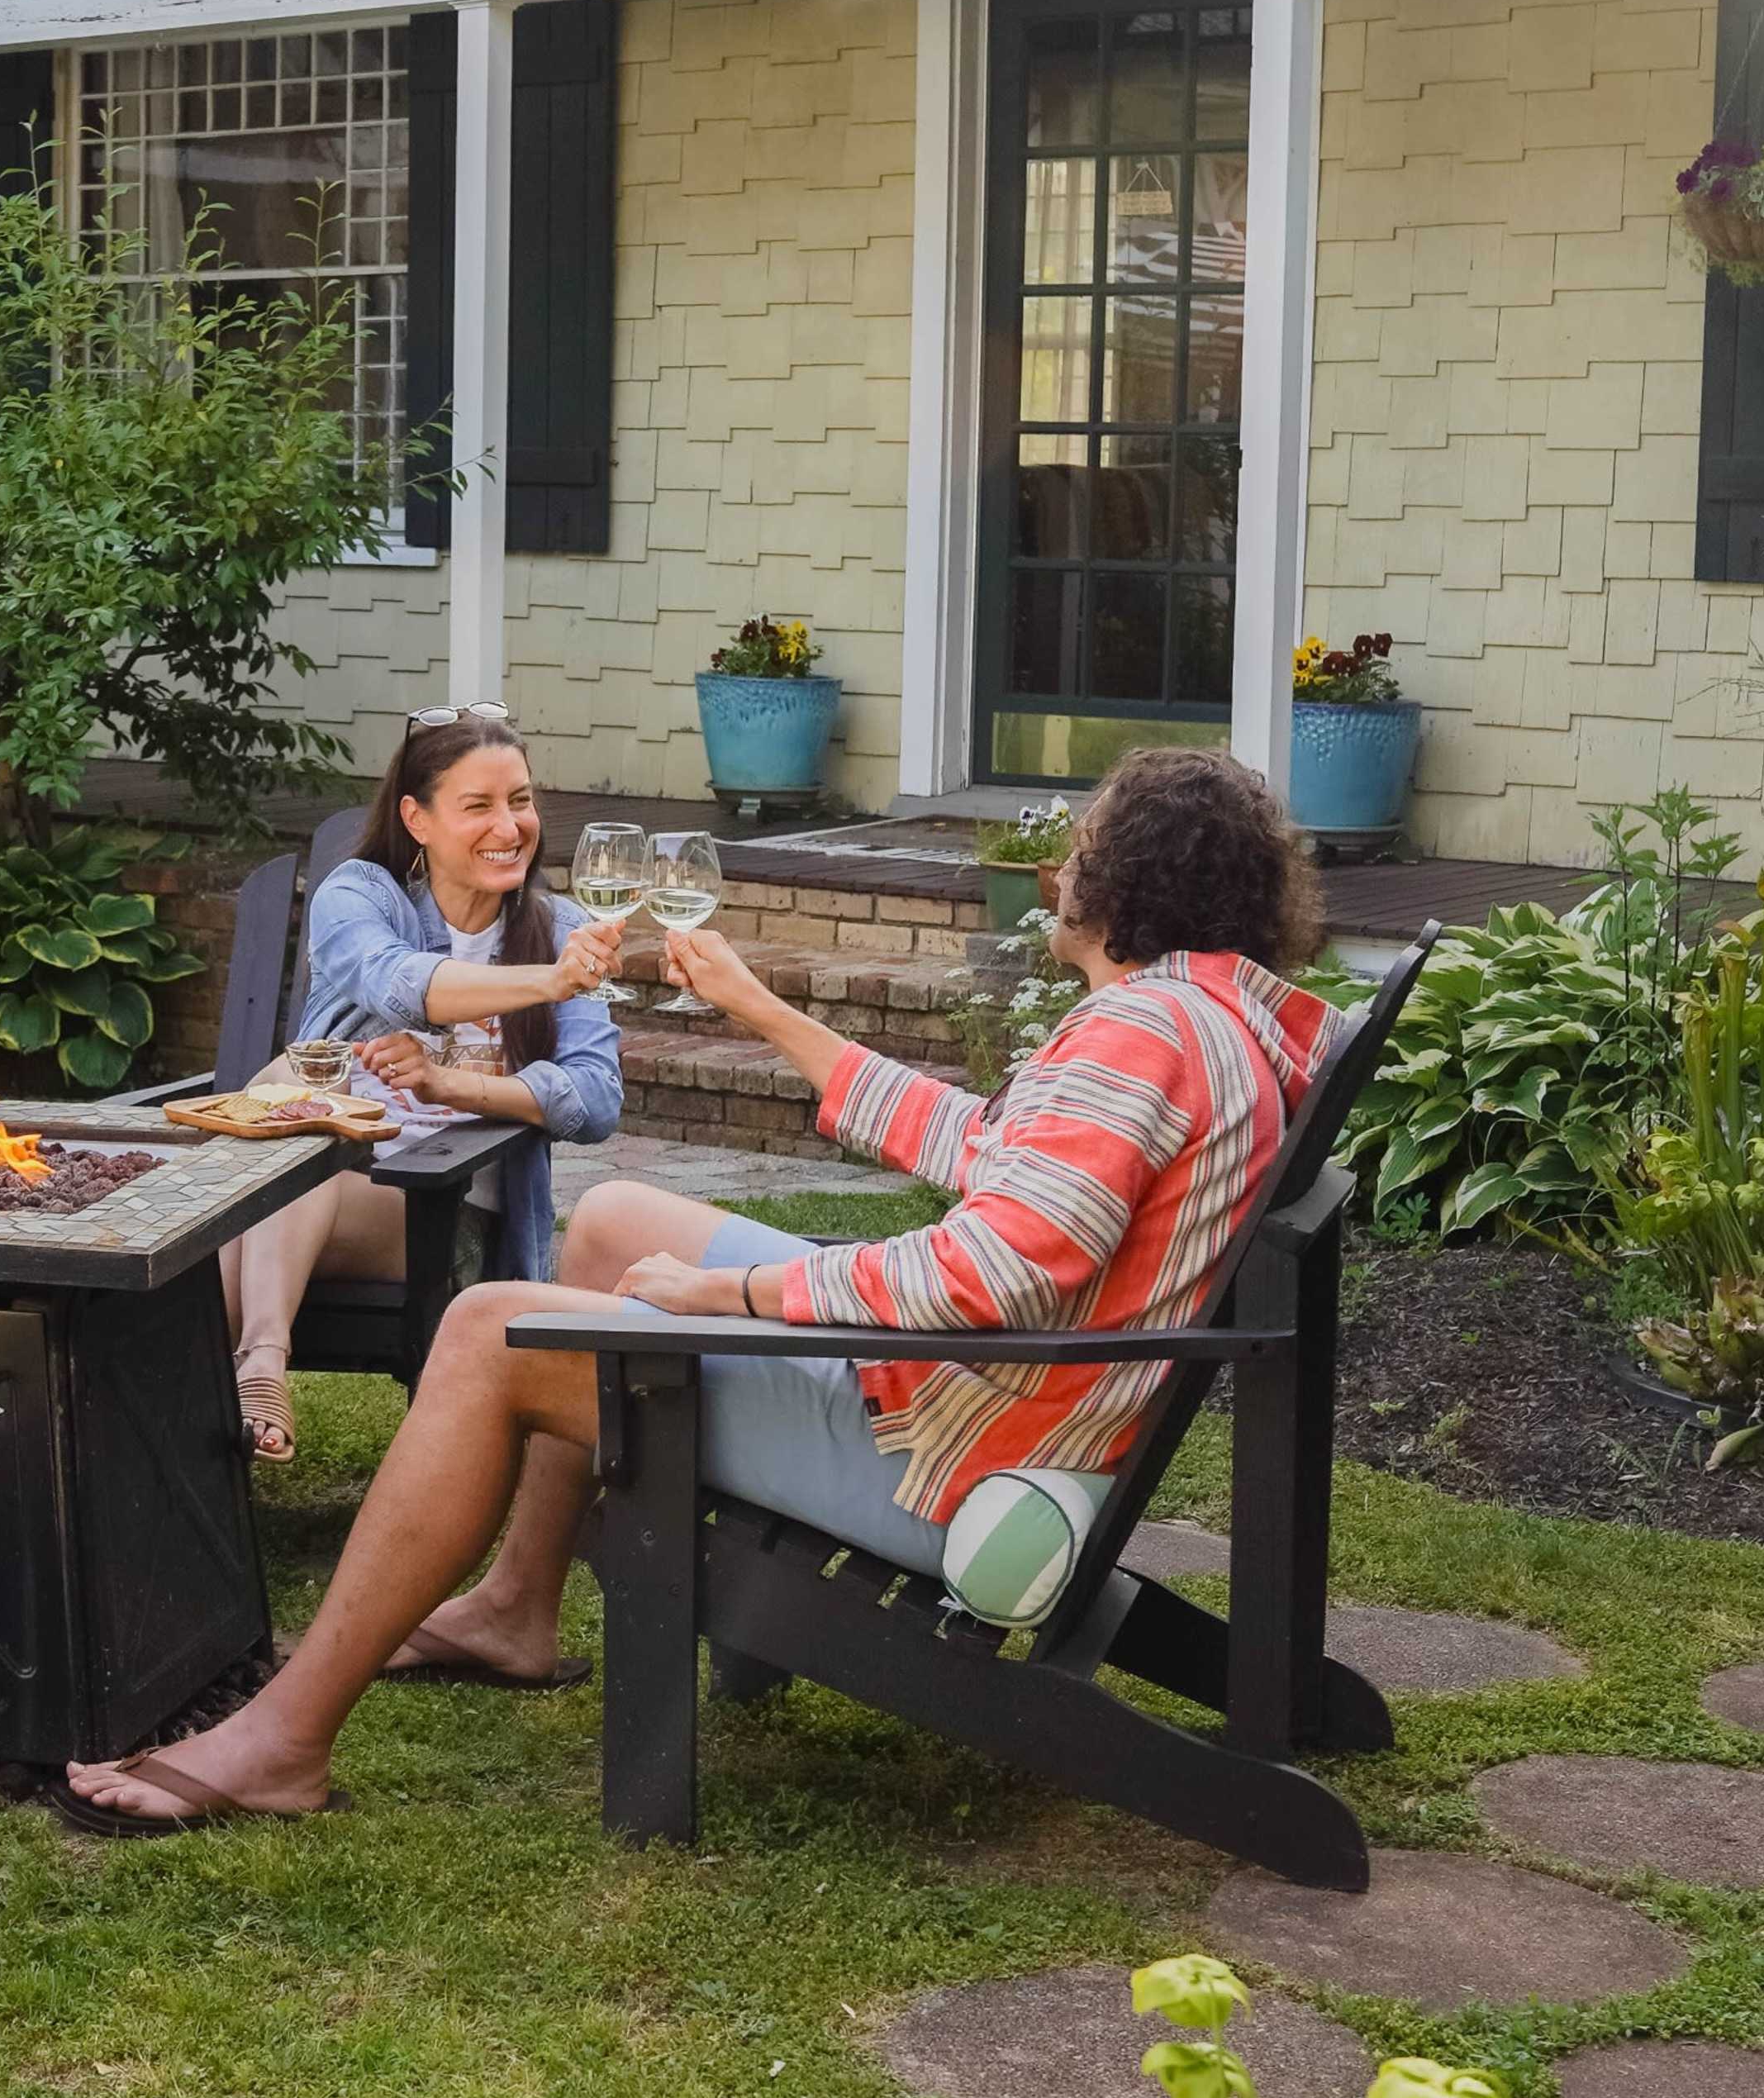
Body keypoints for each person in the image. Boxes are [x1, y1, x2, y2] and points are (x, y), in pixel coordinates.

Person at [67, 745, 1338, 1825]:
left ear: (1125, 882)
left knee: (491, 1328)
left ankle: (283, 1739)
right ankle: (515, 1609)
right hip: (995, 1397)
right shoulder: (1205, 1019)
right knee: (615, 1221)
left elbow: (989, 1274)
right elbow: (985, 1152)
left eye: (1083, 845)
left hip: (944, 1444)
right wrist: (759, 1008)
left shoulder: (1139, 1036)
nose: (1060, 865)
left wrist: (740, 1297)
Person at [220, 709, 625, 1464]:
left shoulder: (558, 926)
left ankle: (242, 1376)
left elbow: (596, 1098)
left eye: (521, 801)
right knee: (286, 1144)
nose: (509, 826)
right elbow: (401, 984)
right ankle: (242, 1388)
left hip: (443, 1208)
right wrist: (551, 980)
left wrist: (453, 1086)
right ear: (417, 819)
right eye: (479, 806)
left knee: (277, 1159)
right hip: (313, 1182)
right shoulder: (362, 896)